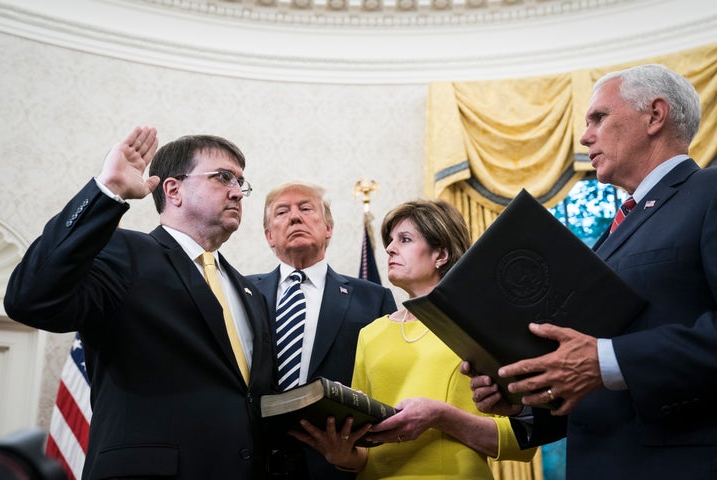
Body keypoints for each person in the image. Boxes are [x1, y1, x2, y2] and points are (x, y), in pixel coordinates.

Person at [463, 64, 717, 479]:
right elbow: (594, 381)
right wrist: (528, 394)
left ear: (655, 115)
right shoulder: (617, 228)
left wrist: (607, 360)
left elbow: (605, 363)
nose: (584, 137)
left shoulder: (710, 192)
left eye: (599, 117)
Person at [4, 126, 275, 479]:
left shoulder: (249, 292)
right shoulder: (124, 253)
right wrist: (108, 191)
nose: (238, 193)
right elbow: (30, 299)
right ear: (173, 190)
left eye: (242, 183)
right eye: (224, 178)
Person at [292, 199, 536, 479]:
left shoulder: (482, 324)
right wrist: (342, 454)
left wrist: (441, 417)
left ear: (440, 254)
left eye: (405, 239)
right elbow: (364, 449)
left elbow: (521, 442)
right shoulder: (371, 333)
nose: (390, 248)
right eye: (391, 240)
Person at [247, 181, 397, 479]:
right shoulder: (241, 291)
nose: (294, 217)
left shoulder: (373, 297)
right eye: (281, 212)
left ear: (328, 228)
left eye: (305, 208)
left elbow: (387, 383)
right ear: (269, 236)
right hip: (254, 457)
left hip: (337, 461)